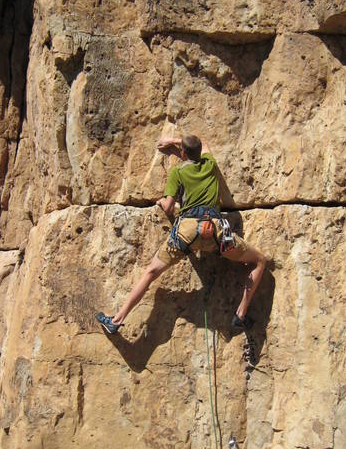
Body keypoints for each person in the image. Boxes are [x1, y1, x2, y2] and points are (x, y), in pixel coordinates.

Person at [96, 134, 267, 334]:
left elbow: (169, 207)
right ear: (199, 151)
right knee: (260, 260)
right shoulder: (211, 165)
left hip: (187, 231)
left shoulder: (177, 172)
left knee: (151, 272)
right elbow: (205, 143)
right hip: (217, 231)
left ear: (183, 153)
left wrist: (161, 201)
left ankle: (117, 319)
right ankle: (241, 313)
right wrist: (174, 140)